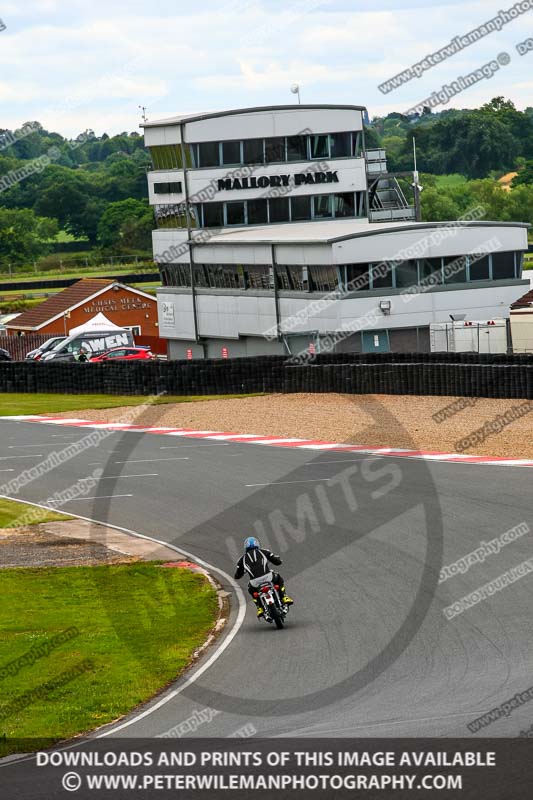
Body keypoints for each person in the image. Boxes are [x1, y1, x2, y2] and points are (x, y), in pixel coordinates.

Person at [234, 537, 293, 617]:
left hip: (254, 582)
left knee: (251, 589)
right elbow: (277, 561)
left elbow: (238, 575)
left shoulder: (241, 560)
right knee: (278, 578)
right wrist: (279, 560)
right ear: (257, 544)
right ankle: (284, 597)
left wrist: (240, 573)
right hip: (268, 577)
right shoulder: (264, 552)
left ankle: (260, 608)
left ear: (245, 547)